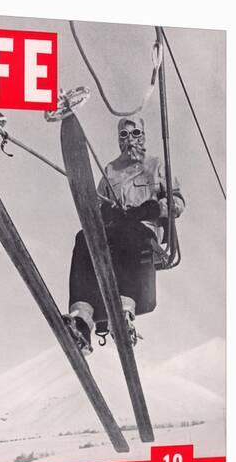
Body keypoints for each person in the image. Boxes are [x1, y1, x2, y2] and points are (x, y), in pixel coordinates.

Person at [67, 116, 185, 353]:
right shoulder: (110, 171)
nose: (130, 139)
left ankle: (123, 310)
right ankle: (81, 318)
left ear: (143, 135)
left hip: (144, 233)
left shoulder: (156, 165)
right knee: (84, 238)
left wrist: (154, 208)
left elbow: (178, 202)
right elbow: (95, 205)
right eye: (124, 134)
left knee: (130, 231)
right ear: (119, 139)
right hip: (114, 232)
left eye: (135, 133)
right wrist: (105, 212)